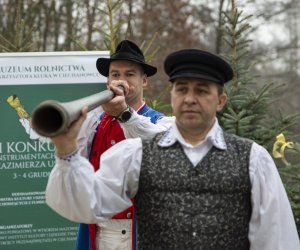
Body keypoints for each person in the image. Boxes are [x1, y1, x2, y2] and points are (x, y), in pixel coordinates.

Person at [46, 48, 300, 250]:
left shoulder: (253, 159)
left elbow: (276, 239)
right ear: (172, 96)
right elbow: (84, 205)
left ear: (221, 101)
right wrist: (66, 152)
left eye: (201, 90)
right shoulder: (135, 155)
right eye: (182, 89)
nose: (190, 98)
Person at [64, 40, 171, 250]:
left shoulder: (160, 123)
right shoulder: (96, 122)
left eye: (130, 74)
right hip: (97, 228)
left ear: (144, 81)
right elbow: (74, 159)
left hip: (136, 230)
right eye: (115, 75)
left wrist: (124, 113)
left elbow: (157, 147)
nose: (121, 80)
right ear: (108, 81)